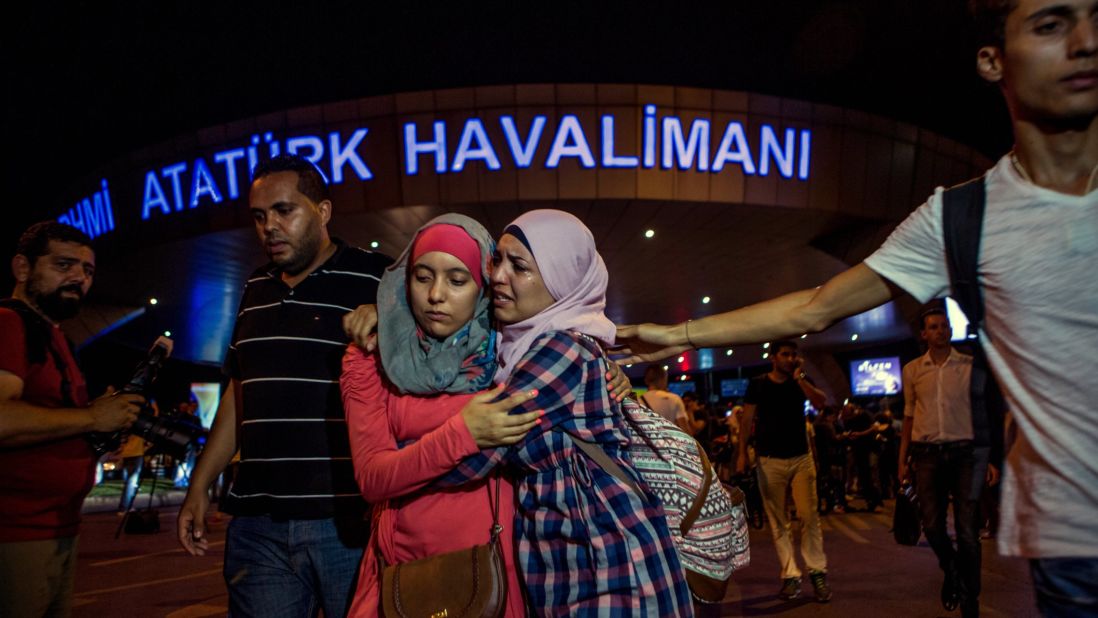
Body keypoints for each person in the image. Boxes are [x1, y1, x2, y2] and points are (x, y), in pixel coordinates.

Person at [616, 1, 1098, 613]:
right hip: (1072, 545)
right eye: (1051, 25)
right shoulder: (962, 218)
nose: (1085, 41)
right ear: (992, 60)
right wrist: (681, 332)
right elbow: (814, 309)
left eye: (1095, 19)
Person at [435, 210, 693, 615]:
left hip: (610, 564)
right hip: (567, 561)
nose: (498, 276)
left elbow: (472, 455)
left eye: (518, 266)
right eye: (497, 260)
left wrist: (396, 459)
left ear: (560, 281)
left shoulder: (561, 349)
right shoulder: (514, 348)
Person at [176, 154, 392, 617]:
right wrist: (200, 483)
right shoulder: (255, 287)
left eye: (283, 211)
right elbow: (240, 400)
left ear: (323, 211)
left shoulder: (378, 278)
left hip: (346, 524)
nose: (269, 226)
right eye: (259, 216)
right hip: (259, 525)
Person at [340, 215, 537, 616]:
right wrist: (464, 432)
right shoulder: (370, 356)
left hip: (493, 567)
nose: (436, 296)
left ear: (483, 287)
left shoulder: (511, 350)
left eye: (457, 280)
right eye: (423, 277)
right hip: (405, 569)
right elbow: (373, 477)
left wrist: (610, 370)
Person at [0, 221, 143, 617]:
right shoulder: (9, 323)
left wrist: (102, 425)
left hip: (58, 529)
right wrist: (91, 418)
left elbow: (59, 421)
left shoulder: (54, 336)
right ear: (22, 268)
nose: (78, 277)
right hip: (16, 534)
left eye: (87, 270)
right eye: (64, 265)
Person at [898, 308, 1000, 617]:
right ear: (924, 334)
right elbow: (908, 416)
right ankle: (952, 568)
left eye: (945, 326)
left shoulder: (968, 366)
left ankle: (971, 603)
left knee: (969, 533)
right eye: (934, 327)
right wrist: (901, 460)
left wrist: (990, 458)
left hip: (965, 455)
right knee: (931, 526)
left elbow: (982, 416)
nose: (941, 331)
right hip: (927, 456)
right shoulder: (912, 370)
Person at [736, 340, 832, 602]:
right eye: (785, 355)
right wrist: (742, 454)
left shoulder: (800, 380)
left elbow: (821, 403)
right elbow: (746, 420)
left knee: (809, 516)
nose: (790, 359)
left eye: (793, 355)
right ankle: (790, 575)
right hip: (769, 460)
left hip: (801, 457)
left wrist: (800, 378)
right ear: (773, 358)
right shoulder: (758, 384)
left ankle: (817, 572)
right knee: (778, 521)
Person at [641, 364, 689, 433]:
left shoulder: (637, 401)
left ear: (646, 380)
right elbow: (685, 430)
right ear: (663, 379)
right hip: (671, 442)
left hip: (647, 442)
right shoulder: (674, 398)